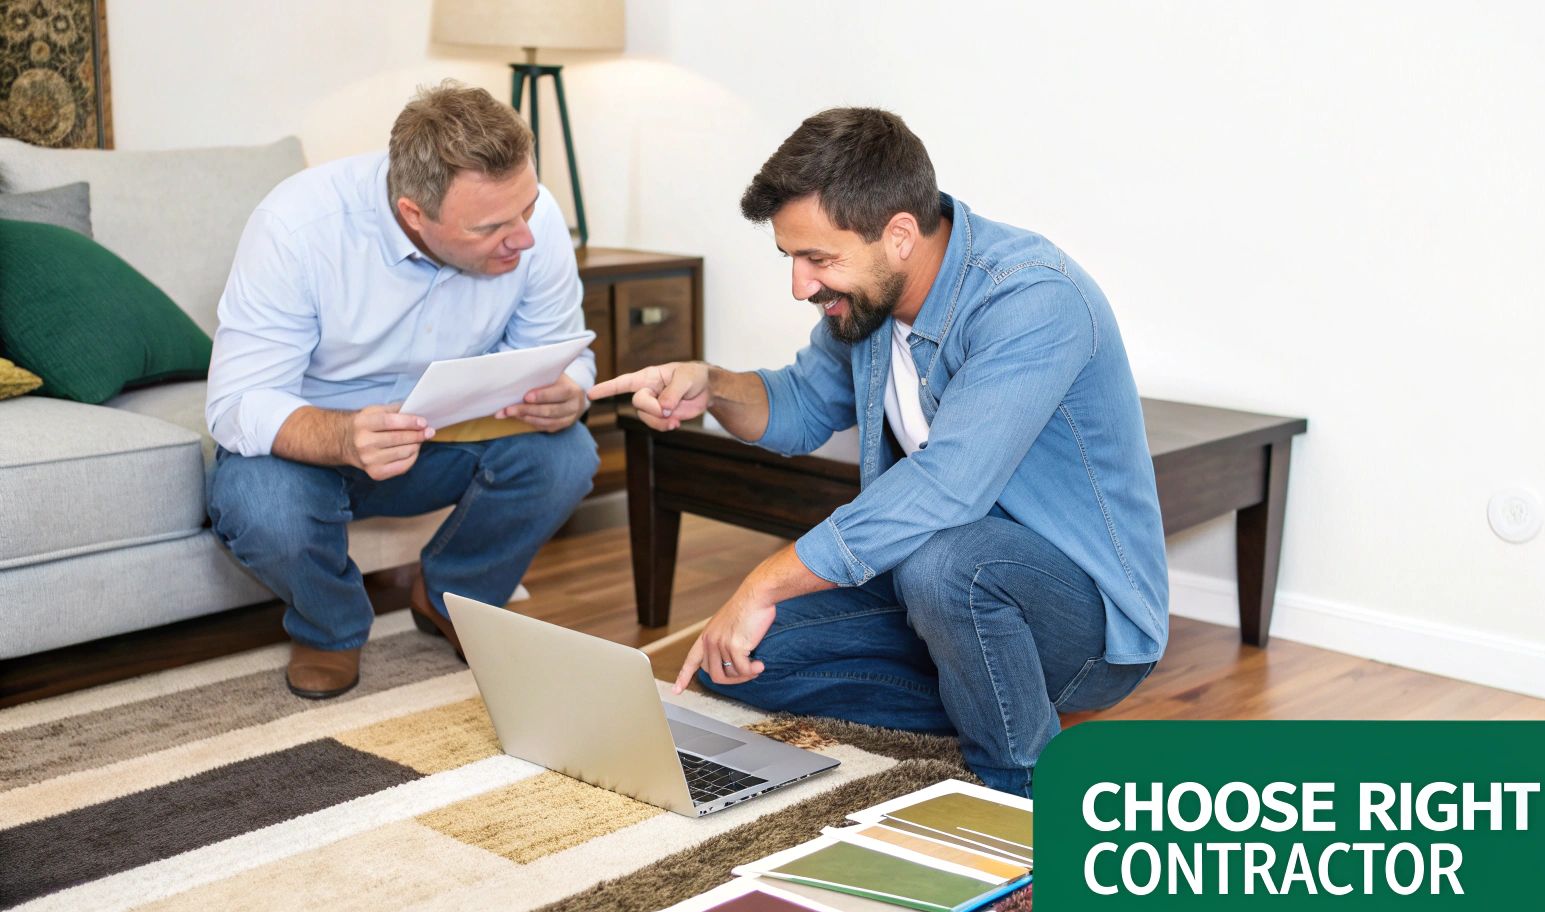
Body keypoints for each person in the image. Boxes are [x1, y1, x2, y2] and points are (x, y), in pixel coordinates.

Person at [589, 108, 1168, 795]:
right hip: (936, 593)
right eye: (792, 258)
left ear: (898, 234)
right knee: (738, 660)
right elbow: (798, 407)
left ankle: (1018, 788)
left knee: (945, 561)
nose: (800, 286)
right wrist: (709, 387)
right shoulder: (864, 306)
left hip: (1084, 627)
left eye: (819, 259)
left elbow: (947, 488)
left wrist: (764, 580)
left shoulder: (1032, 297)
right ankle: (983, 697)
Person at [206, 82, 599, 699]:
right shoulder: (297, 228)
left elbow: (563, 347)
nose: (524, 237)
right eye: (494, 226)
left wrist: (569, 391)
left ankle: (452, 597)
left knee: (567, 453)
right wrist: (342, 434)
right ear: (415, 212)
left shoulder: (530, 218)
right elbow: (237, 404)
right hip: (317, 449)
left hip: (448, 437)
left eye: (527, 209)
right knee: (257, 504)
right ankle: (329, 627)